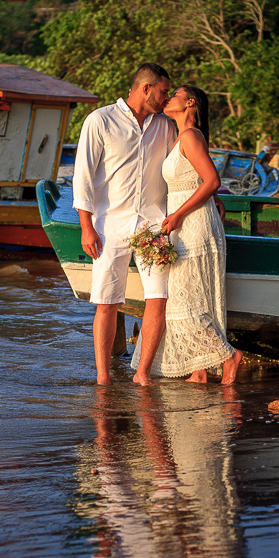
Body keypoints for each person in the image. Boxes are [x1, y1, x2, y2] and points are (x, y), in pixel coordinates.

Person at [73, 63, 177, 385]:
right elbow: (83, 177)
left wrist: (214, 191)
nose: (167, 98)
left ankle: (142, 373)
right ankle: (103, 377)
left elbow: (181, 165)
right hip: (109, 226)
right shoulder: (100, 120)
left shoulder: (165, 126)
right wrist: (86, 227)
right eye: (163, 92)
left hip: (153, 226)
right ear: (146, 89)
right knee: (107, 302)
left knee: (158, 298)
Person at [131, 85, 243, 385]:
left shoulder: (191, 135)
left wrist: (179, 214)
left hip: (193, 224)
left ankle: (229, 357)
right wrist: (207, 200)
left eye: (175, 94)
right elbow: (198, 179)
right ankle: (200, 369)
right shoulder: (180, 136)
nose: (168, 99)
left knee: (185, 301)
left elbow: (212, 180)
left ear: (190, 102)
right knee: (194, 297)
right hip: (188, 221)